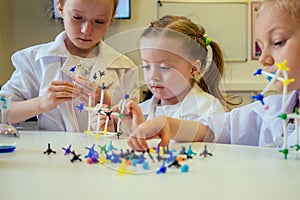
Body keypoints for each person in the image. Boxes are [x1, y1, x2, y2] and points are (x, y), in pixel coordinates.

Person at [127, 0, 300, 151]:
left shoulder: (207, 105)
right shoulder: (268, 111)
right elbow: (214, 131)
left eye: (278, 42)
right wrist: (166, 124)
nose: (263, 59)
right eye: (261, 47)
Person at [97, 15, 239, 144]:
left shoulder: (208, 110)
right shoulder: (142, 110)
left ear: (193, 69)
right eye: (146, 67)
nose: (153, 76)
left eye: (164, 68)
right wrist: (113, 130)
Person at [0, 0, 138, 132]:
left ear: (112, 16)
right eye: (77, 17)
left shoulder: (125, 68)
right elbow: (2, 113)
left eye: (99, 21)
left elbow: (135, 127)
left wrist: (106, 102)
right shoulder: (34, 60)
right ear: (60, 8)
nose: (86, 30)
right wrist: (41, 103)